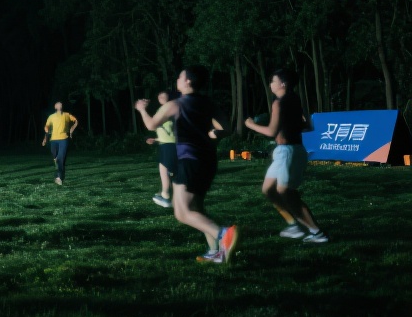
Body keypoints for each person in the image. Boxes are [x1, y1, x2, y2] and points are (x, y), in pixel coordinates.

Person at [134, 67, 239, 264]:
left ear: (188, 82)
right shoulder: (208, 103)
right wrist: (210, 136)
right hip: (208, 160)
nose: (178, 80)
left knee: (181, 211)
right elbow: (225, 128)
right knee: (197, 208)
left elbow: (151, 125)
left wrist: (141, 109)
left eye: (180, 77)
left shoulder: (177, 104)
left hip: (190, 160)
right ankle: (216, 251)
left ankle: (223, 233)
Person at [245, 69, 327, 243]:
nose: (270, 84)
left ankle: (317, 233)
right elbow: (307, 125)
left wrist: (251, 125)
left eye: (272, 81)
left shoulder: (279, 103)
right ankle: (293, 225)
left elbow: (271, 131)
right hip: (291, 150)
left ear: (283, 83)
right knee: (268, 190)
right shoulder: (295, 99)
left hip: (287, 152)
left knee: (287, 193)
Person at [139, 88, 177, 208]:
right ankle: (168, 195)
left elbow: (151, 125)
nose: (160, 98)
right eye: (159, 96)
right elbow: (169, 132)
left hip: (170, 145)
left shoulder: (167, 109)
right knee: (167, 172)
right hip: (168, 144)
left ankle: (166, 197)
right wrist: (155, 140)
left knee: (166, 171)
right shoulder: (171, 110)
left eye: (163, 96)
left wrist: (142, 109)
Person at [41, 101, 77, 185]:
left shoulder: (67, 115)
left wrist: (72, 128)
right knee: (55, 157)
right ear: (55, 107)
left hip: (63, 139)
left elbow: (76, 121)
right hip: (53, 140)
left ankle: (58, 177)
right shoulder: (51, 117)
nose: (59, 104)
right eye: (58, 104)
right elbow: (47, 128)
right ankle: (59, 168)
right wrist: (45, 139)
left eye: (61, 104)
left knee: (60, 158)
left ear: (62, 106)